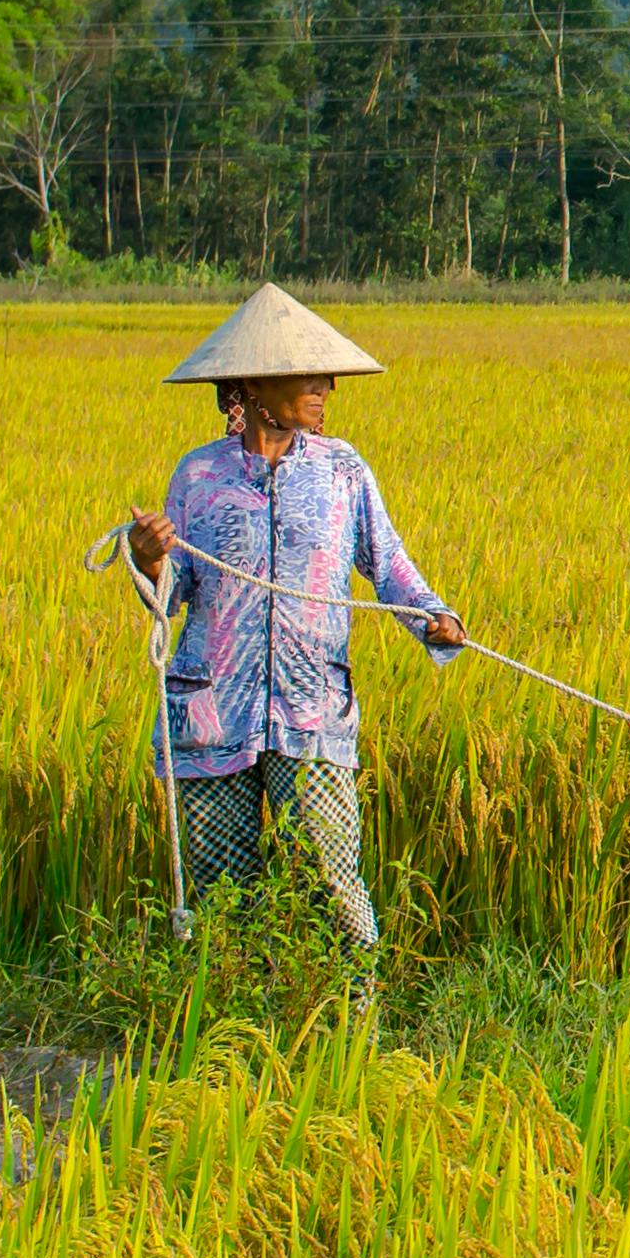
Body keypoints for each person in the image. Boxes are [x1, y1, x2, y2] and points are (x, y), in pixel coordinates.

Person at [121, 285, 464, 951]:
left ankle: (350, 1023)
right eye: (307, 372)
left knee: (333, 883)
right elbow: (170, 598)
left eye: (325, 373)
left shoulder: (342, 471)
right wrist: (150, 559)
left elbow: (385, 560)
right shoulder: (199, 477)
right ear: (252, 384)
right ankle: (227, 1025)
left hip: (312, 710)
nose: (326, 385)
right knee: (225, 893)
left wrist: (431, 615)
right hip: (212, 716)